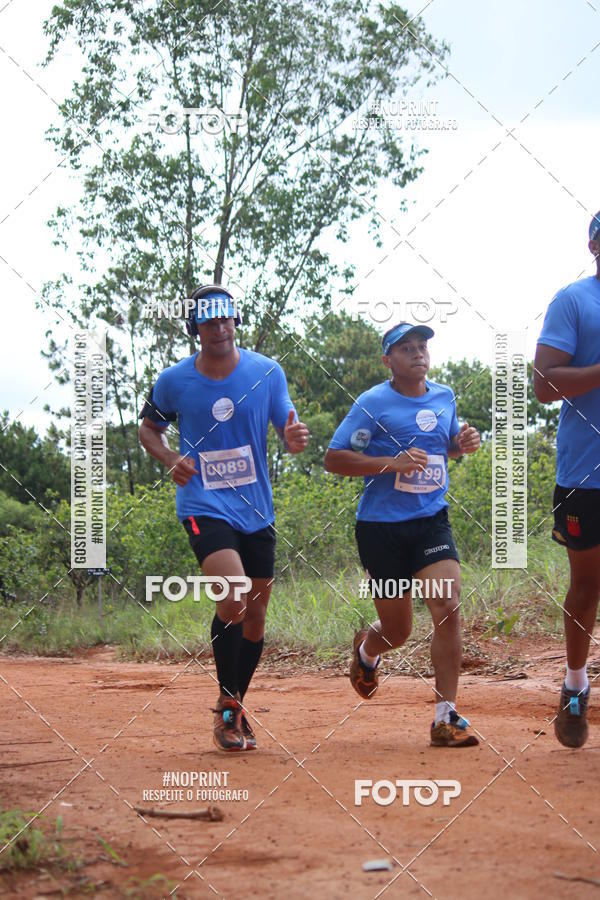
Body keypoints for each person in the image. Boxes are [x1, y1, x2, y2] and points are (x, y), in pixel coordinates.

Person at [139, 285, 309, 751]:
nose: (219, 328)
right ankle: (227, 716)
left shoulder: (267, 372)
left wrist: (294, 438)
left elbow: (287, 427)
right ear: (195, 328)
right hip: (203, 504)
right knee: (233, 598)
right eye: (209, 322)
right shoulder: (174, 381)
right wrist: (170, 457)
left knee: (254, 620)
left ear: (236, 321)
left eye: (226, 319)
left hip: (256, 510)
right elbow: (148, 430)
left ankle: (232, 706)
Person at [324, 322, 480, 747]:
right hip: (380, 530)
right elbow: (335, 458)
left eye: (422, 346)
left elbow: (444, 445)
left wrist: (463, 442)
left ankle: (444, 718)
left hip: (431, 520)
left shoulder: (445, 396)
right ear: (387, 360)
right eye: (406, 348)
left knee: (447, 605)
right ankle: (367, 651)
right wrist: (389, 464)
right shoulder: (373, 403)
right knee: (399, 630)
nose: (417, 353)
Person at [534, 212, 600, 748]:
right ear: (593, 244)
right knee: (587, 584)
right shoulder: (574, 301)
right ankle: (575, 685)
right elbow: (543, 383)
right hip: (586, 474)